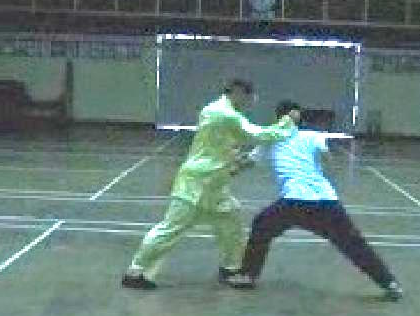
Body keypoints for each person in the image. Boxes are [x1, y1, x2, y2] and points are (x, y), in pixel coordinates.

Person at [122, 80, 299, 289]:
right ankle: (135, 272)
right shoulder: (225, 114)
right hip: (196, 185)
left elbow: (219, 143)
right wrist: (287, 122)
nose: (249, 103)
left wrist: (232, 158)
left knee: (230, 223)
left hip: (214, 186)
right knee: (170, 229)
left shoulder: (215, 110)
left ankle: (231, 268)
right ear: (238, 92)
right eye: (248, 98)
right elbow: (259, 135)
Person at [223, 100, 403, 301]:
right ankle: (389, 283)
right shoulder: (310, 136)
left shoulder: (272, 140)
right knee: (353, 244)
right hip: (326, 202)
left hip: (294, 202)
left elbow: (242, 165)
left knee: (261, 226)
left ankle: (248, 275)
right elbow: (328, 159)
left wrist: (226, 168)